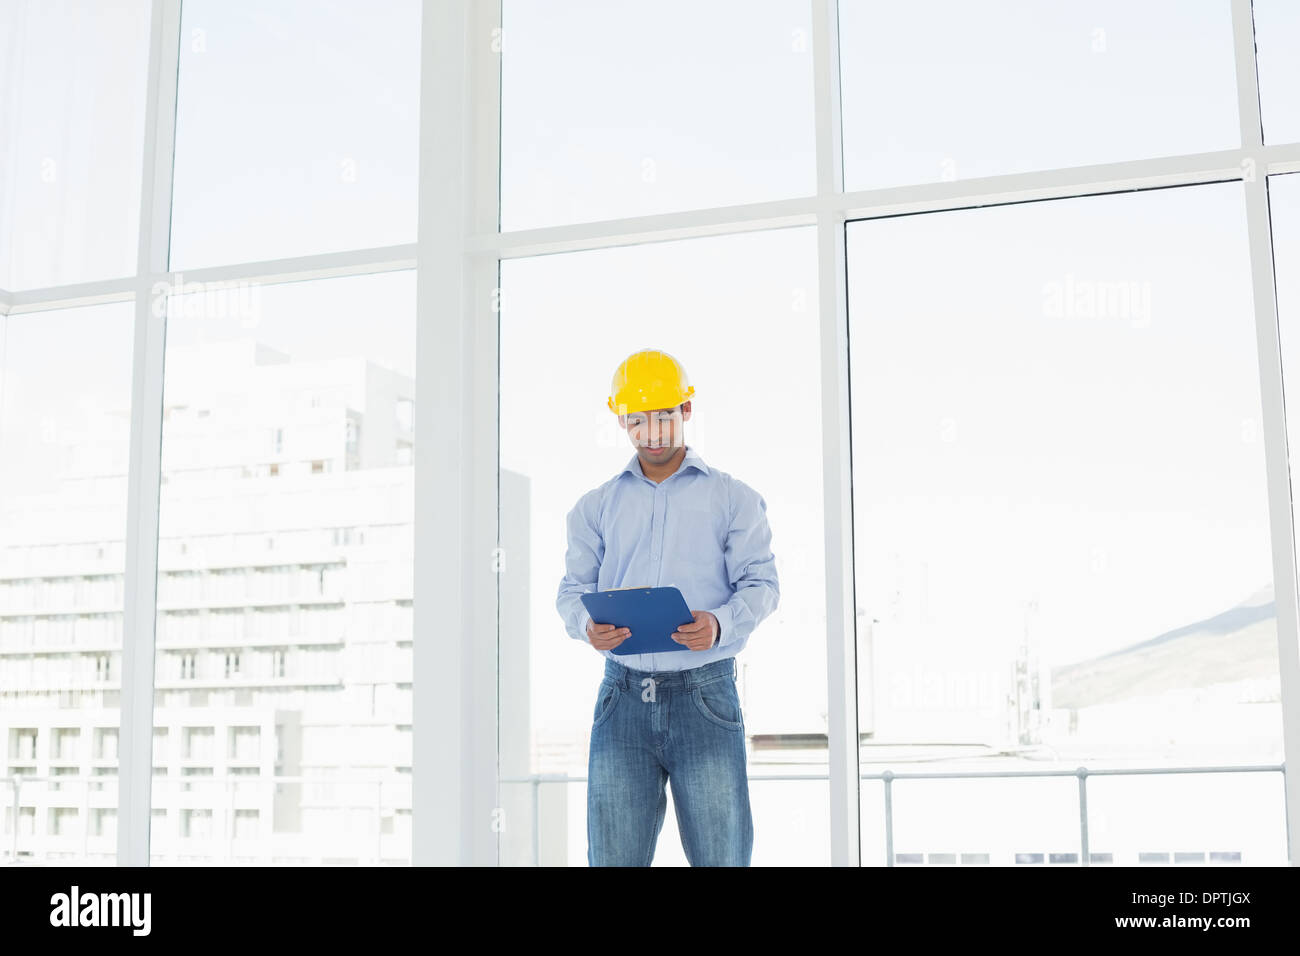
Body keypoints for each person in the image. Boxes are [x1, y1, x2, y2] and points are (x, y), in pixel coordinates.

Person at [555, 347, 780, 866]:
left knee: (721, 856)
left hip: (705, 697)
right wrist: (587, 624)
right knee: (612, 857)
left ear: (686, 411)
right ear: (621, 420)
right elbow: (571, 589)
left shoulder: (733, 498)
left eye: (662, 416)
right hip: (622, 698)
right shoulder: (594, 507)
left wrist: (720, 625)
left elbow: (762, 583)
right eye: (637, 420)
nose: (651, 432)